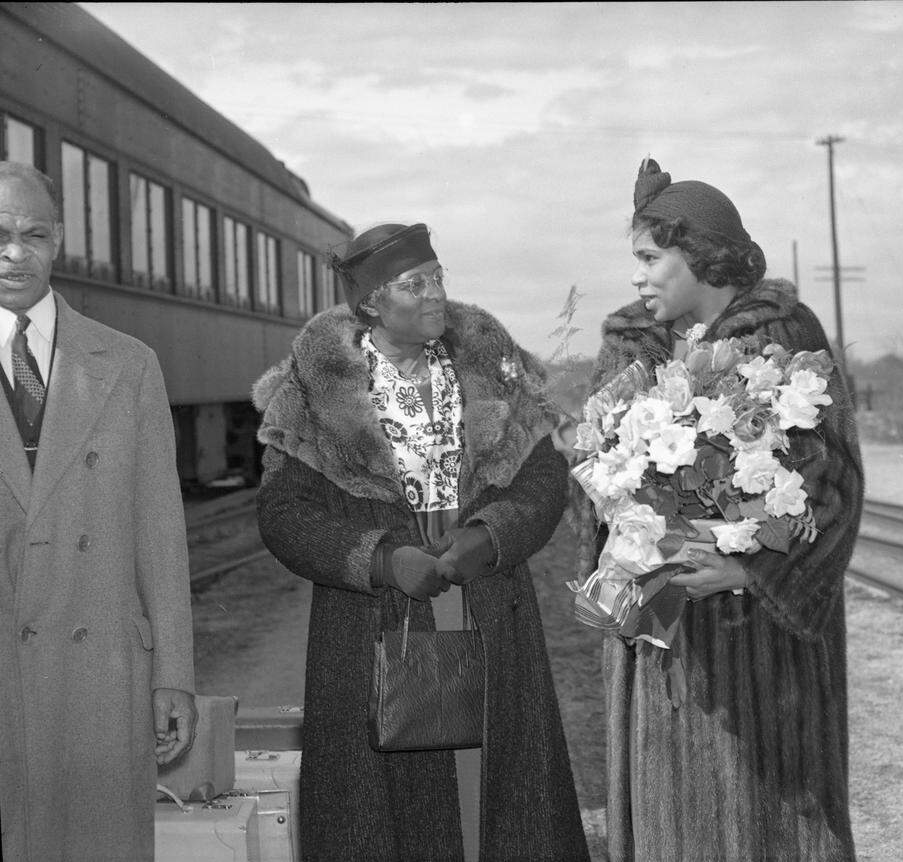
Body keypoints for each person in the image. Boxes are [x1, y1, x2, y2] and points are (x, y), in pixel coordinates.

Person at [253, 221, 589, 862]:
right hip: (373, 618)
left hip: (486, 599)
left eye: (438, 277)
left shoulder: (492, 368)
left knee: (499, 791)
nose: (436, 293)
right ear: (372, 302)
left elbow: (544, 476)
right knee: (388, 809)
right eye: (416, 282)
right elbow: (283, 513)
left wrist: (491, 536)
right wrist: (378, 557)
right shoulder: (313, 392)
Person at [572, 159, 864, 861]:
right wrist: (632, 546)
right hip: (661, 636)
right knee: (671, 818)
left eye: (650, 258)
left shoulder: (782, 335)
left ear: (698, 254)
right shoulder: (630, 345)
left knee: (769, 822)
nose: (638, 277)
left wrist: (744, 568)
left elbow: (833, 483)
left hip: (759, 641)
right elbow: (598, 472)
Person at [0, 161, 197, 861]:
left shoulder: (128, 363)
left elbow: (160, 530)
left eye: (34, 234)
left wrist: (173, 671)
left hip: (102, 671)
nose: (15, 251)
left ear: (60, 244)